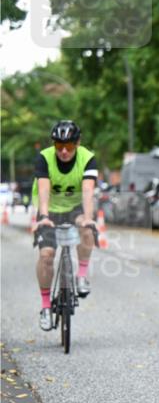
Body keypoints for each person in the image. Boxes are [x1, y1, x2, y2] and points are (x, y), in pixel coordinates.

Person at [32, 120, 99, 331]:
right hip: (49, 209)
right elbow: (43, 190)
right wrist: (43, 216)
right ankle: (45, 306)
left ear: (77, 143)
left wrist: (87, 217)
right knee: (46, 255)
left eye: (68, 146)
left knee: (87, 228)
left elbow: (88, 191)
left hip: (75, 207)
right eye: (58, 146)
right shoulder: (44, 158)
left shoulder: (88, 158)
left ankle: (81, 276)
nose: (63, 151)